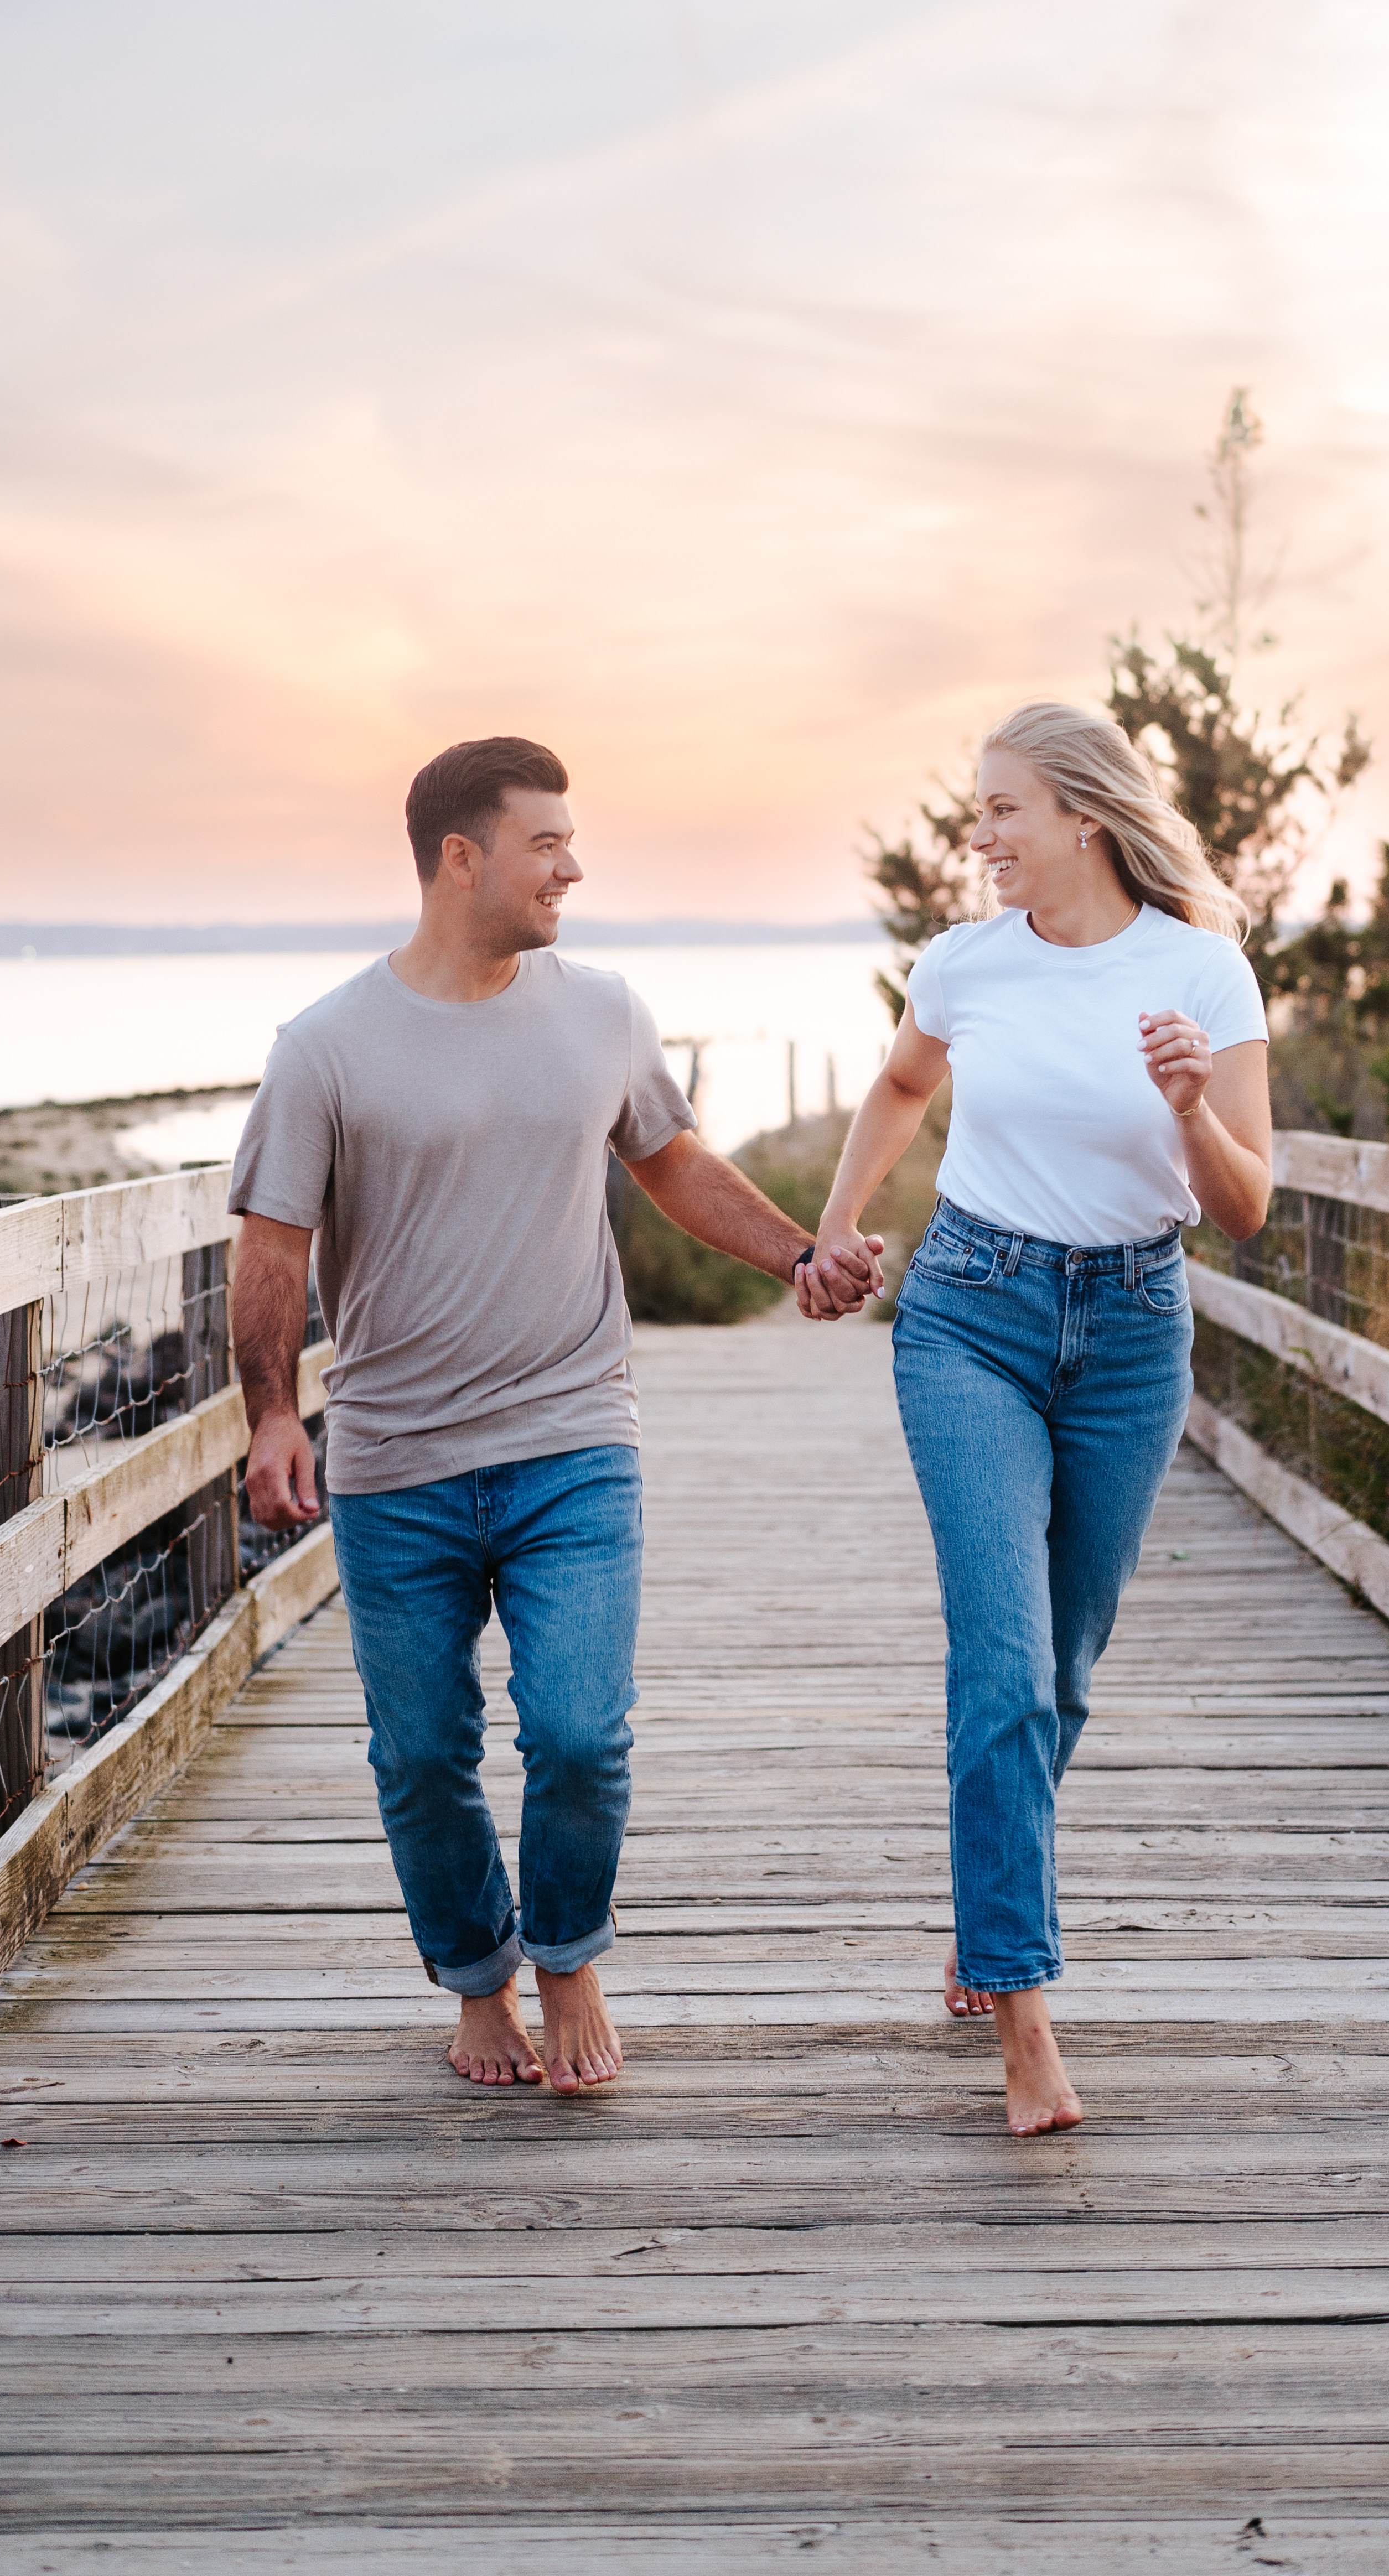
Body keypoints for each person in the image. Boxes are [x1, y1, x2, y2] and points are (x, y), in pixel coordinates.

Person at [231, 734, 875, 2099]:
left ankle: (568, 1954)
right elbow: (273, 1252)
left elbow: (675, 1163)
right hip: (395, 1461)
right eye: (545, 843)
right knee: (420, 1755)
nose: (572, 866)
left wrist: (798, 1259)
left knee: (580, 1732)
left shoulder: (602, 1011)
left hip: (573, 1441)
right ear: (460, 857)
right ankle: (478, 1983)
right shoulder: (325, 1047)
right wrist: (273, 1414)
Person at [806, 702, 1272, 2136]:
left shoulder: (1205, 970)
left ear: (1081, 813)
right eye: (977, 813)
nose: (982, 835)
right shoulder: (966, 963)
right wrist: (835, 1230)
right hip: (969, 1316)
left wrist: (1191, 1107)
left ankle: (983, 1904)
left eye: (1002, 809)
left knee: (1064, 1671)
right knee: (1002, 1664)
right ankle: (1024, 2023)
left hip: (1135, 1330)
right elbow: (899, 1085)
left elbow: (1245, 1206)